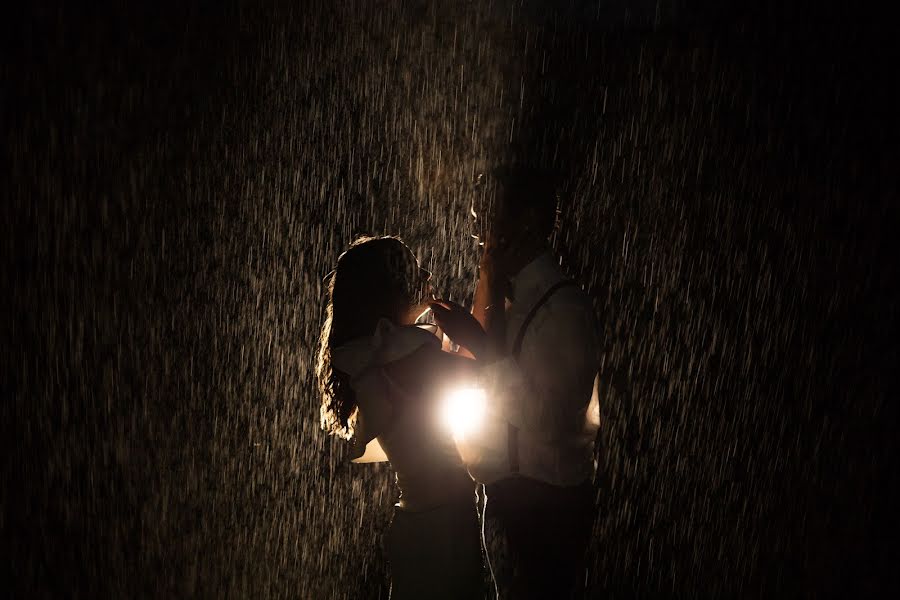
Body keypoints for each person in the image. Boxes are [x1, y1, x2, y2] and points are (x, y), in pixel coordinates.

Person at [430, 166, 601, 599]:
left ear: (525, 220)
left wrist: (480, 348)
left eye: (485, 213)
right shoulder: (513, 297)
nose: (473, 225)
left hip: (545, 510)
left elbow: (553, 421)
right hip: (507, 500)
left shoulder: (563, 310)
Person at [316, 236, 485, 600]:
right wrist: (475, 332)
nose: (426, 274)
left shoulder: (374, 357)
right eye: (413, 268)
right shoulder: (408, 357)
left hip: (415, 520)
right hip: (443, 525)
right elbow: (493, 377)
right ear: (391, 291)